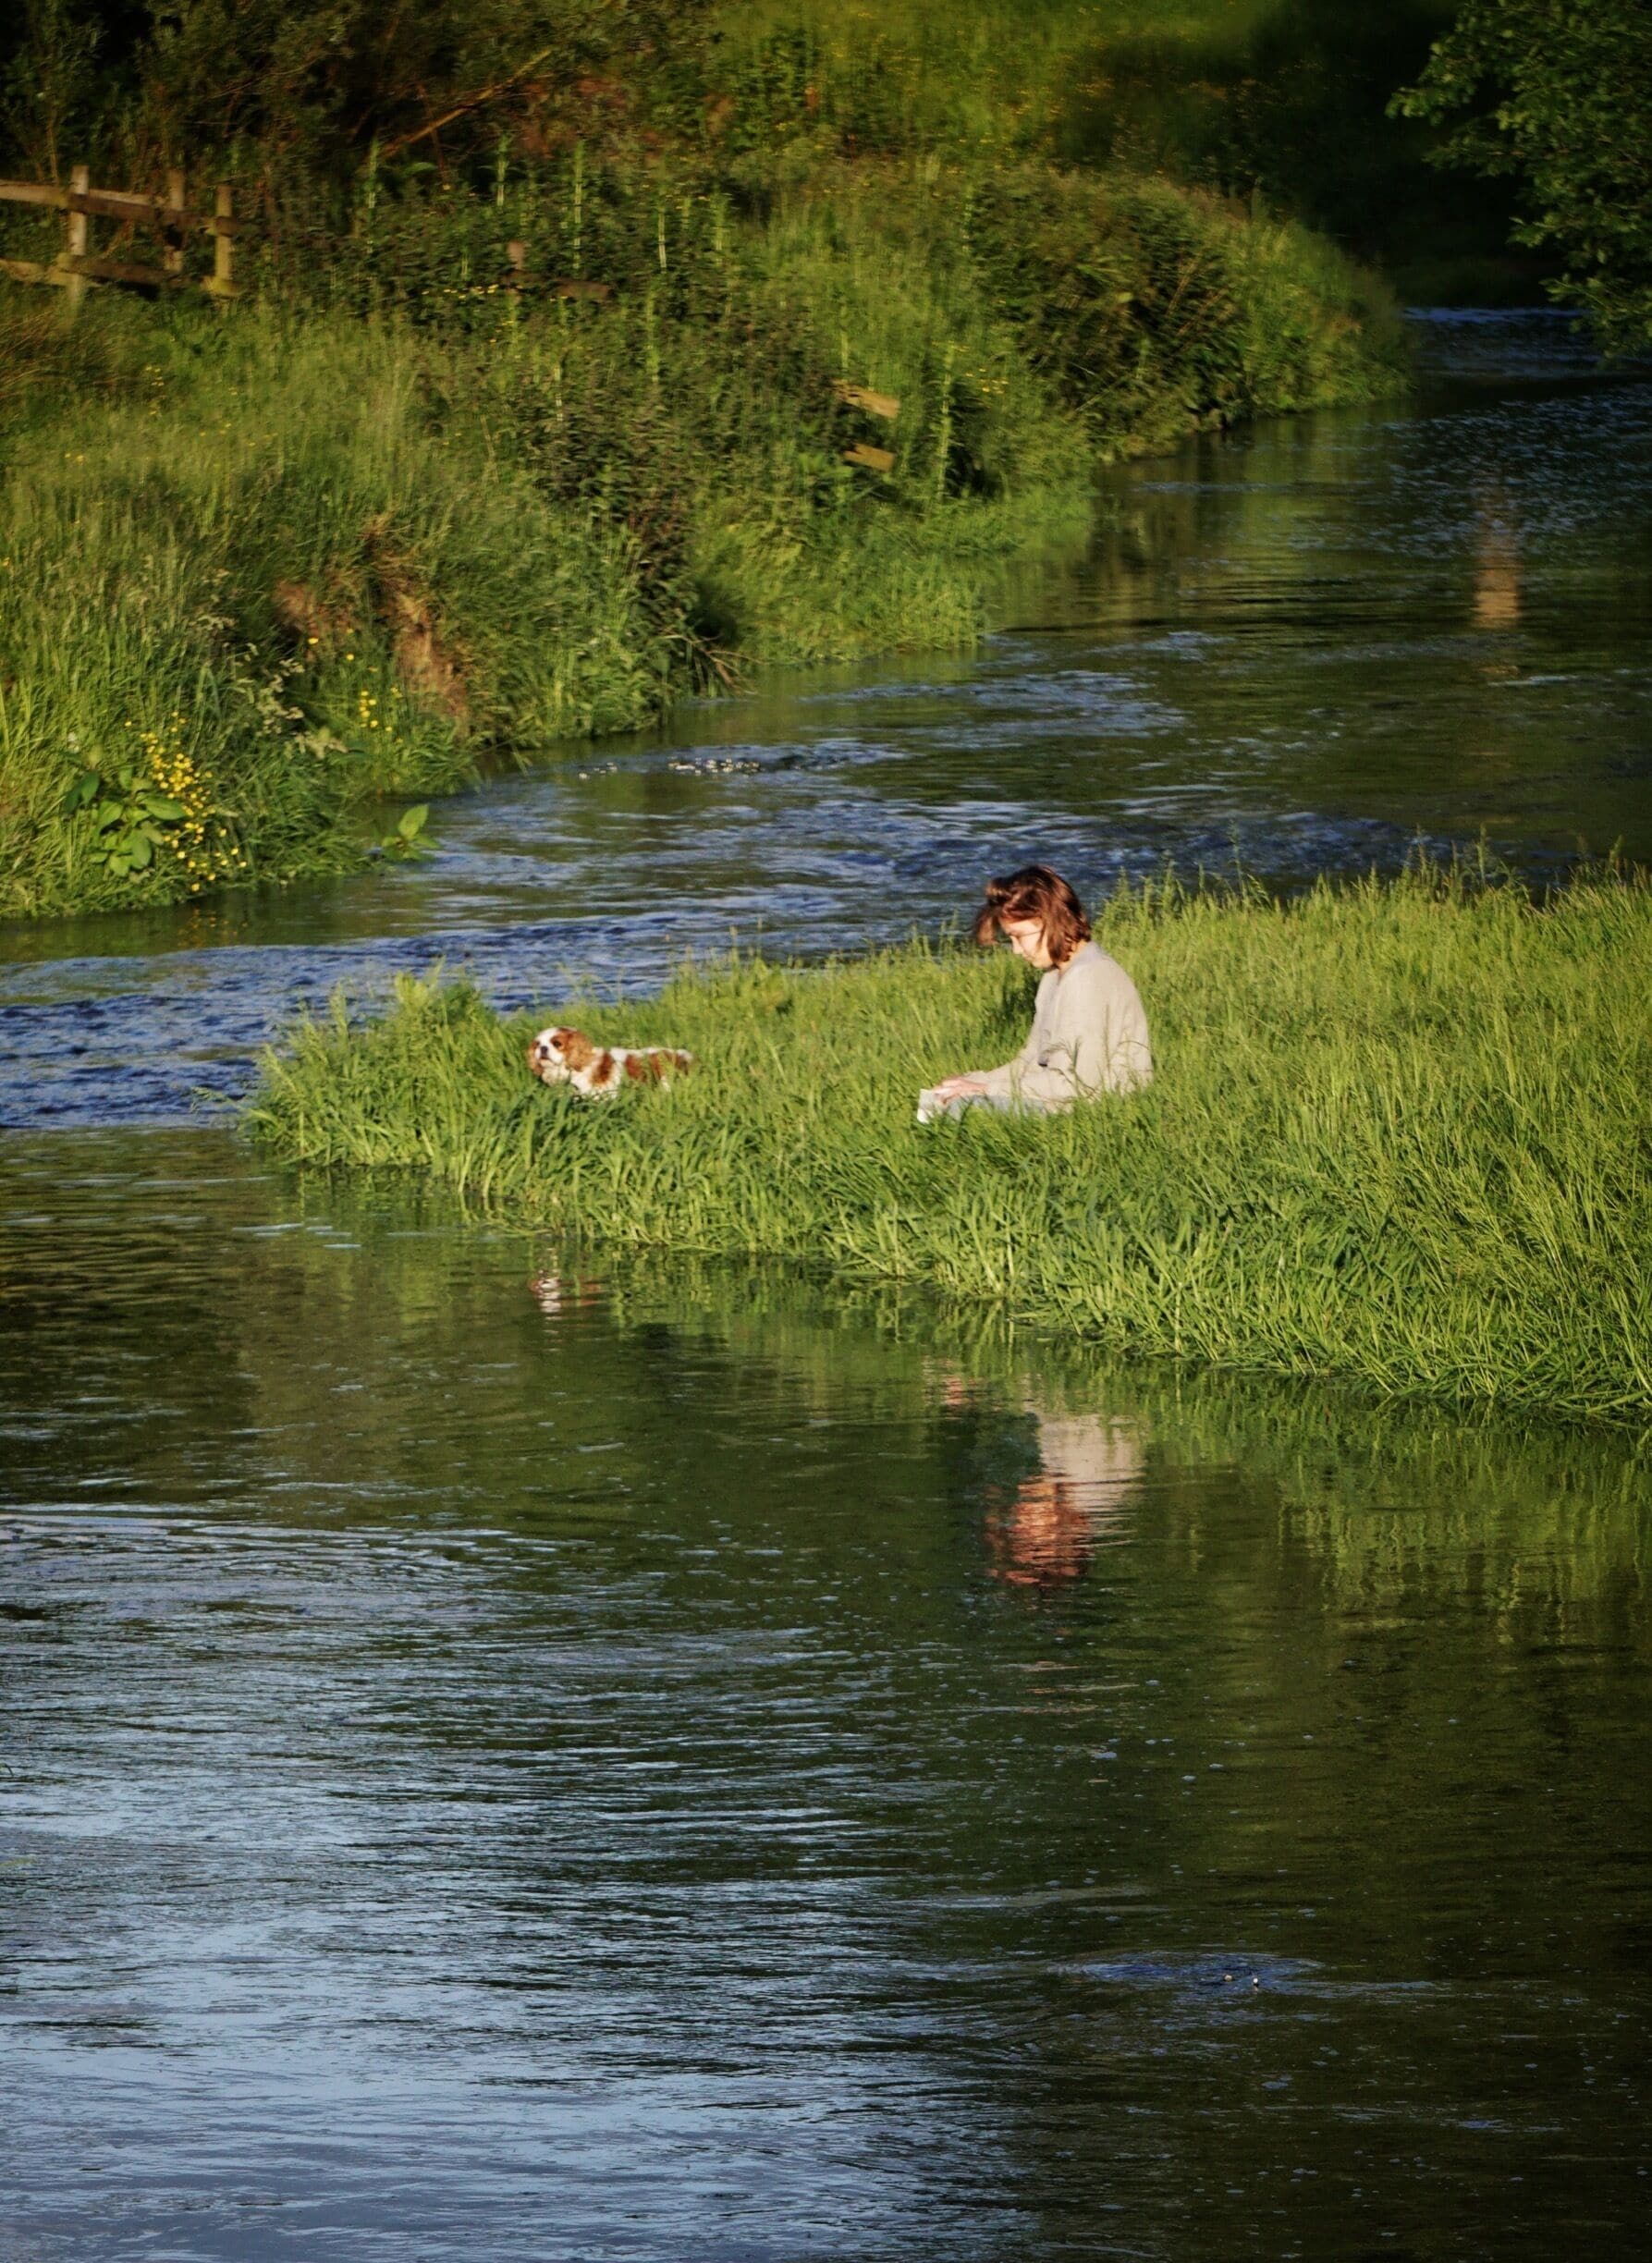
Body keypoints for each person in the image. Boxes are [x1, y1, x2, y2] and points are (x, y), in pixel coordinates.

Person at [917, 863, 1151, 1119]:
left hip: (1096, 1109)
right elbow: (1029, 1062)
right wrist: (972, 1081)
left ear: (1049, 919)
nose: (1016, 950)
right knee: (943, 1098)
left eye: (1019, 936)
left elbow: (1075, 1086)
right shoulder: (1054, 977)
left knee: (960, 1110)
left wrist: (984, 1090)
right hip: (1065, 1098)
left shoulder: (1088, 979)